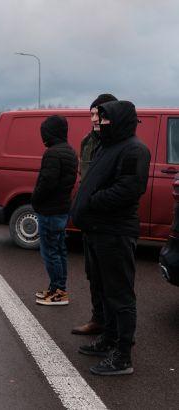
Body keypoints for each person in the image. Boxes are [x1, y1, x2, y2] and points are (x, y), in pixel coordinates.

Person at [71, 100, 151, 376]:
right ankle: (109, 339)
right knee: (104, 290)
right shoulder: (108, 145)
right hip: (97, 230)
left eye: (105, 120)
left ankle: (123, 356)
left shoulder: (134, 150)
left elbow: (128, 189)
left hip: (115, 232)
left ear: (119, 121)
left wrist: (91, 202)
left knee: (120, 295)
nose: (100, 123)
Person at [72, 93, 118, 335]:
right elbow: (84, 176)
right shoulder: (87, 142)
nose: (93, 119)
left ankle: (113, 329)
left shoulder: (117, 144)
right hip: (89, 219)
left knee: (112, 279)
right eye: (91, 114)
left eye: (98, 114)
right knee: (93, 274)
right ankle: (98, 319)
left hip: (107, 220)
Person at [32, 115, 78, 306]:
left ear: (50, 133)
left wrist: (35, 199)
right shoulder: (70, 151)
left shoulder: (52, 153)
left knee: (50, 252)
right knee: (59, 251)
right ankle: (57, 288)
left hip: (50, 211)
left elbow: (47, 182)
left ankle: (59, 292)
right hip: (61, 209)